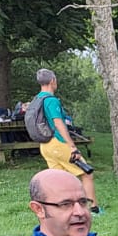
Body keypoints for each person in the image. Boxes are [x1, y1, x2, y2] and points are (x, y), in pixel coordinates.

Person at [30, 70, 99, 215]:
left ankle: (60, 209)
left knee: (58, 179)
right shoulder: (51, 100)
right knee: (86, 173)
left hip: (45, 145)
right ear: (53, 80)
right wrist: (72, 146)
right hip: (58, 144)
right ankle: (92, 209)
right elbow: (58, 123)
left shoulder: (36, 100)